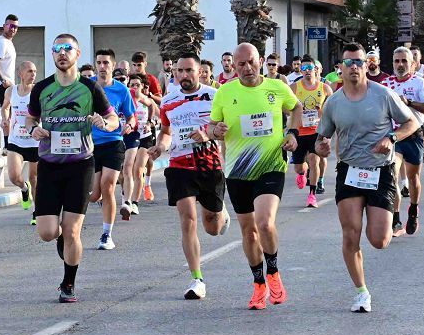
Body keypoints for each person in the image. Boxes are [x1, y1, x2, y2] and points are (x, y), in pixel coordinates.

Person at [316, 43, 418, 313]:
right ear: (341, 68)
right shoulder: (334, 102)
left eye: (359, 62)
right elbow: (321, 138)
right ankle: (361, 292)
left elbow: (412, 123)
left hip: (380, 171)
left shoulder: (383, 94)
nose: (354, 67)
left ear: (367, 64)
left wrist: (391, 138)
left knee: (379, 240)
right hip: (349, 171)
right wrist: (321, 147)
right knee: (350, 235)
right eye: (349, 63)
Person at [209, 43, 302, 310]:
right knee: (248, 233)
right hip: (237, 170)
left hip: (271, 164)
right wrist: (217, 129)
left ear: (260, 61)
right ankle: (259, 283)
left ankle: (273, 271)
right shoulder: (225, 92)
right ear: (233, 66)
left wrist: (292, 134)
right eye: (241, 64)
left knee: (264, 223)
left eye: (251, 62)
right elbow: (212, 126)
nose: (247, 68)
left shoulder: (277, 87)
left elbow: (295, 109)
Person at [27, 34, 114, 302]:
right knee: (48, 232)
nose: (61, 53)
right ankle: (63, 238)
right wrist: (34, 129)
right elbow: (30, 117)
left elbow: (112, 118)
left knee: (73, 229)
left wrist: (105, 123)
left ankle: (68, 283)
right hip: (50, 165)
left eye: (67, 49)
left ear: (77, 54)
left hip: (81, 165)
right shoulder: (41, 88)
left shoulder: (89, 88)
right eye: (57, 49)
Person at [149, 54, 230, 299]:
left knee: (213, 227)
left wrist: (209, 133)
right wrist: (160, 147)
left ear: (200, 71)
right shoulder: (168, 100)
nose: (183, 75)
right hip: (179, 165)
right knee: (187, 219)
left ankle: (221, 213)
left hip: (209, 165)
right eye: (179, 70)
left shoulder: (215, 96)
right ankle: (197, 279)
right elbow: (166, 132)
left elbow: (226, 131)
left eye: (189, 70)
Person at [385, 46, 424, 236]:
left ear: (412, 64)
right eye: (397, 61)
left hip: (414, 135)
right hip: (394, 135)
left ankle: (413, 210)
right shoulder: (387, 84)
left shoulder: (419, 83)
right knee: (392, 175)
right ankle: (395, 218)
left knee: (413, 179)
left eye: (404, 61)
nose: (400, 65)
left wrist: (408, 102)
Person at [92, 49, 136, 248]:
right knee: (94, 194)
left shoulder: (121, 90)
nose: (102, 67)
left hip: (113, 142)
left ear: (113, 65)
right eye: (99, 63)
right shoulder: (87, 87)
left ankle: (106, 235)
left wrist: (130, 124)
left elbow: (131, 115)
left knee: (108, 184)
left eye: (106, 63)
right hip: (90, 145)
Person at [290, 54, 332, 206]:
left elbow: (330, 111)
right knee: (298, 167)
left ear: (315, 69)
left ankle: (312, 195)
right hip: (299, 132)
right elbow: (285, 107)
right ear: (300, 70)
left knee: (314, 160)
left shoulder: (325, 88)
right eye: (303, 68)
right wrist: (295, 113)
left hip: (316, 131)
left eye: (309, 68)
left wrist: (321, 115)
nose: (307, 71)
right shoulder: (294, 87)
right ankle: (302, 173)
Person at [1, 61, 39, 222]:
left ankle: (37, 211)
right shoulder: (11, 91)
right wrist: (5, 119)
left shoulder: (38, 92)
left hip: (35, 141)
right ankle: (24, 189)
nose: (33, 74)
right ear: (20, 73)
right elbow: (5, 107)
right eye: (30, 71)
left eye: (35, 71)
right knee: (14, 176)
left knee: (34, 177)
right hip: (16, 140)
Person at [124, 73, 156, 214]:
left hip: (145, 137)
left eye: (138, 85)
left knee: (138, 169)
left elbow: (151, 106)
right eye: (132, 85)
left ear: (142, 86)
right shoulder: (126, 98)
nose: (135, 87)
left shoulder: (143, 98)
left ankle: (134, 203)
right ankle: (127, 198)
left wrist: (149, 121)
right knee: (127, 169)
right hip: (131, 136)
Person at [0, 14, 19, 105]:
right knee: (8, 111)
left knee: (10, 112)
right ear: (4, 26)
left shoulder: (8, 42)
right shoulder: (1, 43)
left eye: (15, 27)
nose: (13, 29)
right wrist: (3, 80)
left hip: (7, 84)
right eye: (10, 26)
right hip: (2, 84)